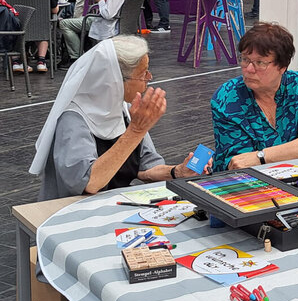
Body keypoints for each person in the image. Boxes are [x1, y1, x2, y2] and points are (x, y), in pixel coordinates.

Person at [30, 35, 210, 201]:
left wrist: (177, 172)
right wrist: (136, 131)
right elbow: (88, 183)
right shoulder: (73, 119)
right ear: (115, 80)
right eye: (143, 74)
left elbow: (146, 168)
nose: (149, 78)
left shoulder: (124, 109)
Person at [211, 22, 298, 171]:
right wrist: (295, 151)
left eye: (260, 63)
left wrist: (260, 156)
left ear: (282, 67)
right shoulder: (227, 97)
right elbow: (239, 163)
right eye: (245, 59)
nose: (249, 69)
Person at [58, 0, 143, 67]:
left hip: (112, 24)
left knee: (65, 23)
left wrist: (101, 1)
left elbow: (108, 15)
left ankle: (76, 58)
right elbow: (121, 3)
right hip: (128, 22)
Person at [1, 0, 57, 73]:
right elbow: (54, 10)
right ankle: (41, 61)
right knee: (45, 24)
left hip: (17, 26)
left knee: (11, 25)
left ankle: (16, 62)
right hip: (40, 26)